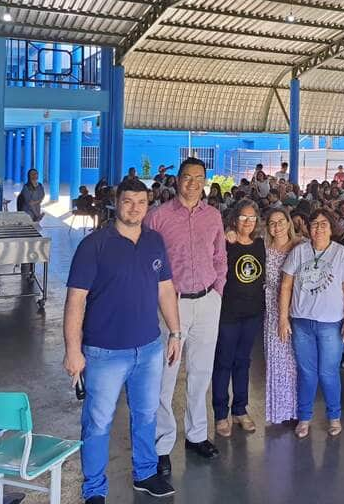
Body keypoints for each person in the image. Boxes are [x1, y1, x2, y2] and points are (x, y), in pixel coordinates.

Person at [63, 178, 182, 503]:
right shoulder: (95, 245)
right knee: (98, 422)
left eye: (141, 202)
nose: (134, 208)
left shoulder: (155, 242)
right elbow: (76, 300)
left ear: (148, 205)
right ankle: (94, 489)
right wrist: (73, 351)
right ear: (117, 202)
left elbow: (166, 289)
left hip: (148, 348)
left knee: (145, 414)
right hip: (104, 353)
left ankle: (145, 473)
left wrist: (175, 331)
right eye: (128, 201)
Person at [145, 157, 228, 475]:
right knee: (166, 375)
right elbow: (147, 263)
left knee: (200, 373)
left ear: (205, 181)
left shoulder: (214, 216)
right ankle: (162, 443)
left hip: (208, 300)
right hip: (172, 305)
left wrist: (218, 288)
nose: (193, 183)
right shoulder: (159, 217)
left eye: (199, 178)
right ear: (177, 180)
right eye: (187, 177)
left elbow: (220, 254)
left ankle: (196, 436)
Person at [279, 209, 344, 438]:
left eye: (323, 224)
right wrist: (284, 318)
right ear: (307, 228)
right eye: (314, 224)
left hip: (331, 324)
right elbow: (286, 286)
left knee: (328, 372)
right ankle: (304, 417)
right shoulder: (299, 252)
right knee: (306, 373)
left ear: (331, 228)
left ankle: (334, 416)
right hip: (301, 322)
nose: (318, 228)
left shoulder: (341, 254)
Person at [212, 199, 265, 437]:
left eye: (252, 218)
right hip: (228, 313)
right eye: (243, 218)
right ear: (235, 219)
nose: (247, 222)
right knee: (224, 361)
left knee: (243, 361)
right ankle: (220, 413)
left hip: (252, 313)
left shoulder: (261, 245)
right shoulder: (226, 243)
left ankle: (240, 409)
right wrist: (224, 235)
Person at [264, 208, 301, 425]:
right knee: (275, 358)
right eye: (272, 223)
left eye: (280, 222)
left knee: (293, 360)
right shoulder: (265, 248)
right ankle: (279, 409)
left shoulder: (299, 247)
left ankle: (296, 408)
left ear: (288, 223)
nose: (277, 227)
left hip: (293, 308)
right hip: (270, 307)